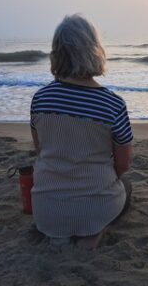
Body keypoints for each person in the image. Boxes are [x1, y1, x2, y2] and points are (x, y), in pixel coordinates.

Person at [30, 14, 133, 249]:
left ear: (56, 52)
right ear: (94, 49)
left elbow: (40, 149)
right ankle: (94, 231)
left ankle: (59, 232)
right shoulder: (112, 104)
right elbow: (123, 164)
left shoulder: (40, 99)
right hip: (96, 204)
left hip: (46, 209)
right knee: (127, 187)